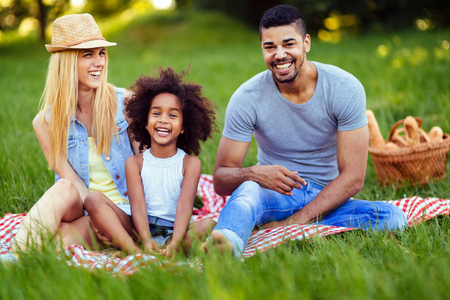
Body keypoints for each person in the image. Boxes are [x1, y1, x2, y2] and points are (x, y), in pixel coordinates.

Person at [203, 5, 408, 256]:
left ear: (306, 43)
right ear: (262, 49)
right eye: (270, 47)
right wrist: (255, 173)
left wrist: (293, 222)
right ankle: (226, 247)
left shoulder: (344, 87)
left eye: (288, 44)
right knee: (248, 190)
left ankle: (271, 230)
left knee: (393, 217)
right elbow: (222, 180)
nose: (279, 55)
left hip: (328, 197)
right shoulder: (247, 98)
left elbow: (353, 177)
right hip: (274, 195)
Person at [8, 13, 139, 257]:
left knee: (55, 243)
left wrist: (106, 218)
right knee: (64, 187)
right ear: (66, 62)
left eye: (101, 53)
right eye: (88, 55)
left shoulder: (127, 104)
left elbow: (147, 169)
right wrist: (95, 213)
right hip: (83, 205)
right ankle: (11, 259)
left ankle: (18, 257)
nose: (99, 62)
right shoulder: (45, 122)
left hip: (125, 212)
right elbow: (73, 182)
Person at [84, 67, 217, 258]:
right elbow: (137, 206)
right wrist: (146, 239)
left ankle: (173, 249)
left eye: (172, 115)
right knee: (93, 199)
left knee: (209, 224)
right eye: (156, 114)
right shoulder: (135, 163)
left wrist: (176, 240)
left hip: (175, 231)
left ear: (183, 127)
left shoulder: (190, 164)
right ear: (145, 122)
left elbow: (185, 207)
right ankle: (135, 251)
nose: (163, 120)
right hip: (139, 229)